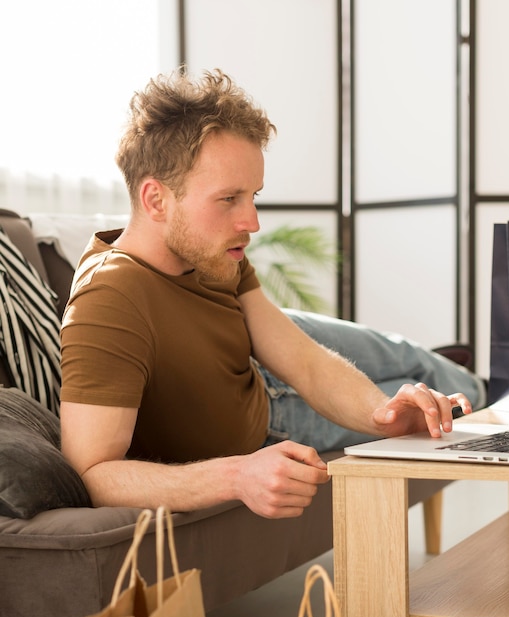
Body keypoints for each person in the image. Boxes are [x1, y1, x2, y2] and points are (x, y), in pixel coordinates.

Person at [60, 69, 486, 520]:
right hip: (269, 418)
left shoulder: (213, 251)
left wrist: (381, 415)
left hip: (265, 346)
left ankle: (449, 363)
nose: (252, 221)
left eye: (254, 196)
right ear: (156, 200)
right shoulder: (108, 301)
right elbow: (91, 471)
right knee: (459, 393)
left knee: (419, 369)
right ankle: (465, 372)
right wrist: (237, 475)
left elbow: (302, 360)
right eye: (229, 199)